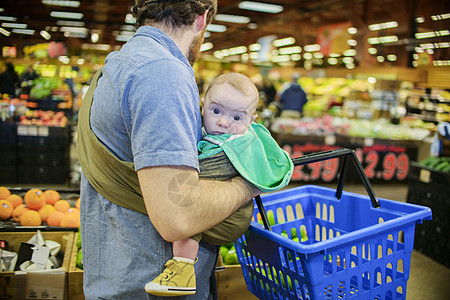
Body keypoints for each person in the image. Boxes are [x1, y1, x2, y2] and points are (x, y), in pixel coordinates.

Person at [76, 1, 261, 299]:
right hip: (149, 285)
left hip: (121, 275)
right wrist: (248, 184)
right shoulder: (162, 72)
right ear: (201, 20)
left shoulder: (124, 60)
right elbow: (178, 217)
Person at [145, 72, 294, 296]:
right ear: (202, 107)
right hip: (226, 214)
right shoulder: (215, 133)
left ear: (251, 120)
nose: (224, 123)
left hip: (232, 216)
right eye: (216, 111)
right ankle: (213, 257)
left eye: (237, 118)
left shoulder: (240, 143)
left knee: (186, 218)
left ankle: (183, 269)